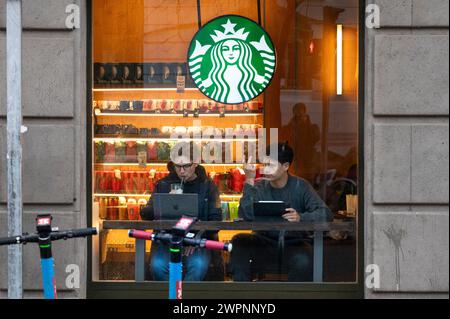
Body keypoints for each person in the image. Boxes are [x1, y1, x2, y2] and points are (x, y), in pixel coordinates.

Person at [230, 142, 332, 282]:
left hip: (294, 242)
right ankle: (243, 296)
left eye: (270, 165)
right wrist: (248, 180)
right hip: (264, 241)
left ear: (286, 166)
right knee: (239, 242)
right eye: (264, 165)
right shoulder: (259, 186)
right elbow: (245, 215)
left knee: (303, 261)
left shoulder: (300, 186)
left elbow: (326, 213)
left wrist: (300, 217)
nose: (266, 170)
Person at [140, 142, 222, 281]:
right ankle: (173, 296)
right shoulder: (164, 184)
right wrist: (165, 202)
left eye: (186, 166)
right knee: (157, 266)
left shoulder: (208, 186)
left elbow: (216, 219)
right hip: (167, 240)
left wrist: (196, 239)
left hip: (197, 241)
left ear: (196, 163)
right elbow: (146, 215)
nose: (181, 171)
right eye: (177, 166)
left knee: (198, 265)